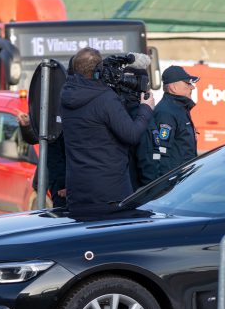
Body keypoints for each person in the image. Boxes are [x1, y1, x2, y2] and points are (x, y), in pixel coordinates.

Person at [60, 48, 154, 216]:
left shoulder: (66, 95)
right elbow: (131, 134)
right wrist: (146, 109)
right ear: (99, 71)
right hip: (109, 194)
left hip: (78, 193)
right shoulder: (105, 98)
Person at [137, 65, 198, 186]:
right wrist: (167, 188)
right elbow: (162, 154)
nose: (192, 87)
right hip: (174, 184)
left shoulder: (178, 109)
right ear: (173, 88)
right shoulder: (166, 112)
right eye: (187, 83)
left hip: (183, 180)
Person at [17, 112, 67, 208]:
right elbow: (35, 137)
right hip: (48, 183)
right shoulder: (50, 107)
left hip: (66, 185)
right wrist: (27, 126)